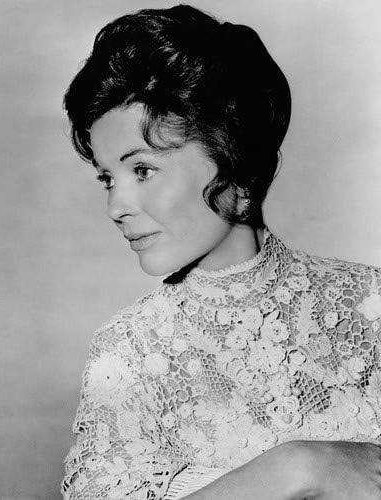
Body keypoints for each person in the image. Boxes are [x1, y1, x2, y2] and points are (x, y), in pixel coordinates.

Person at [61, 5, 381, 499]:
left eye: (142, 170)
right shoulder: (129, 352)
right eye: (108, 178)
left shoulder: (370, 303)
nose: (116, 207)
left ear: (234, 159)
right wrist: (300, 467)